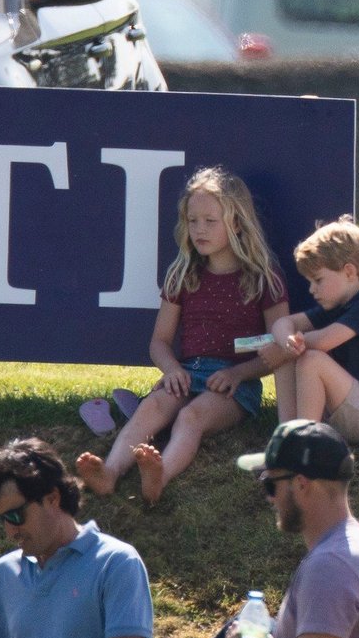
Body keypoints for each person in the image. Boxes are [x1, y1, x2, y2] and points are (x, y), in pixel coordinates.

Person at [76, 166, 289, 504]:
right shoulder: (182, 273)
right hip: (187, 374)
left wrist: (238, 373)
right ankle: (111, 472)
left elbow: (279, 345)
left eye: (210, 221)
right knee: (153, 406)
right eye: (192, 221)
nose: (199, 230)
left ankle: (160, 475)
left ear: (236, 222)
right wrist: (172, 370)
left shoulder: (263, 276)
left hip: (235, 386)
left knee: (192, 417)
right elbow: (159, 342)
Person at [223, 419, 359, 638]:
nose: (271, 499)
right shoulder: (349, 544)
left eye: (271, 485)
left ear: (301, 484)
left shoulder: (328, 568)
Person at [0, 438, 153, 638]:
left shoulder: (116, 563)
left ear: (53, 498)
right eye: (2, 520)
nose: (11, 531)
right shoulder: (4, 573)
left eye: (15, 516)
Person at [259, 215, 359, 444]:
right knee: (290, 355)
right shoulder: (338, 302)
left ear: (349, 272)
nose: (312, 290)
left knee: (311, 360)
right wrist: (284, 342)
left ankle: (304, 450)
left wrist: (285, 348)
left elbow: (323, 341)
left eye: (318, 280)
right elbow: (284, 324)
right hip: (352, 406)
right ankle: (287, 441)